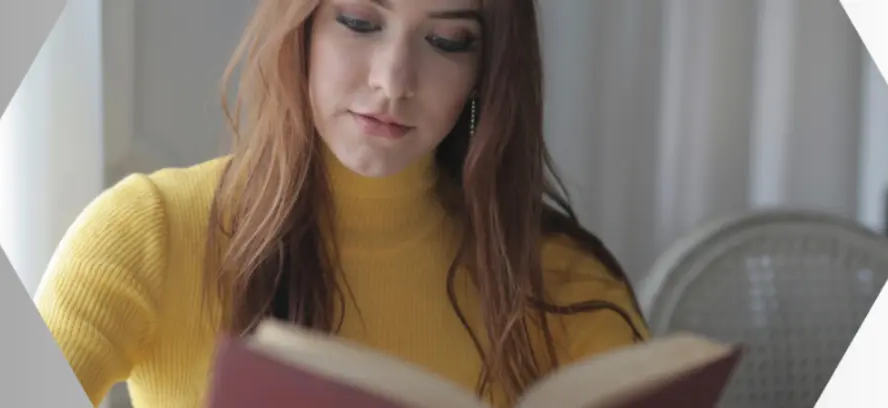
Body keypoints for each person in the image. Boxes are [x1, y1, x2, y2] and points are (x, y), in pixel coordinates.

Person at [34, 0, 649, 407]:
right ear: (299, 25)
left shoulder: (564, 282)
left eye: (447, 40)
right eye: (360, 21)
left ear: (486, 71)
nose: (393, 80)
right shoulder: (151, 232)